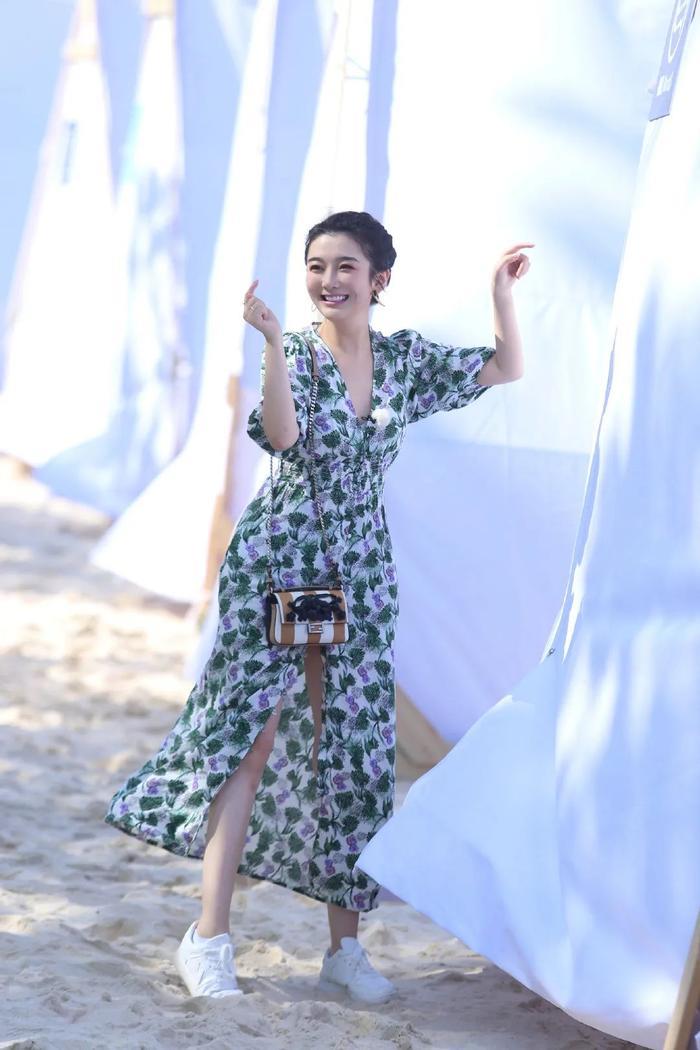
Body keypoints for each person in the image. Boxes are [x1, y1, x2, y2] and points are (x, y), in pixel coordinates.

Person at [105, 210, 531, 1002]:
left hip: (362, 574)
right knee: (250, 740)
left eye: (344, 267)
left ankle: (344, 950)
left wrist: (499, 291)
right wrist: (271, 343)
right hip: (280, 563)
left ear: (378, 279)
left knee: (355, 754)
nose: (327, 280)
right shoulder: (296, 352)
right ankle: (208, 938)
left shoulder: (403, 361)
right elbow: (283, 437)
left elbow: (504, 367)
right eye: (315, 265)